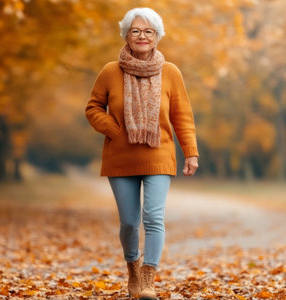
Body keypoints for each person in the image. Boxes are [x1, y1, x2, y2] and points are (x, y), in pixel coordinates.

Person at [85, 7, 199, 300]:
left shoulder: (171, 72)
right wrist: (113, 129)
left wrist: (191, 153)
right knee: (129, 223)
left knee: (153, 217)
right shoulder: (110, 71)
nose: (142, 36)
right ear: (126, 35)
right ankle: (132, 267)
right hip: (120, 156)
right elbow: (93, 108)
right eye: (135, 31)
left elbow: (182, 116)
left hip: (159, 154)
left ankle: (148, 279)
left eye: (148, 31)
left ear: (157, 36)